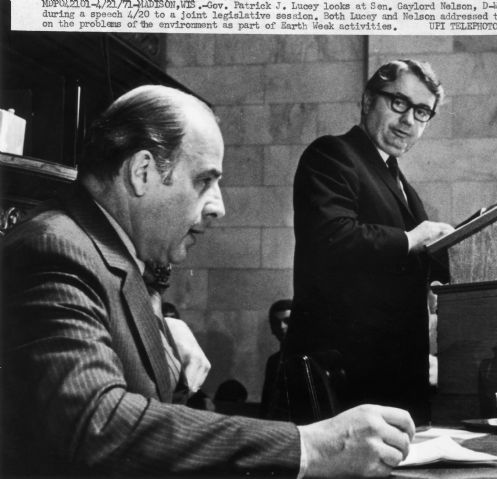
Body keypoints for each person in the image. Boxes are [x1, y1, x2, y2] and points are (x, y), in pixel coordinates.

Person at [1, 85, 416, 477]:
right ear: (142, 172)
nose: (219, 207)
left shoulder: (110, 250)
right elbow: (97, 423)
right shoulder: (55, 248)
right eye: (204, 180)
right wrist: (310, 445)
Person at [284, 59, 456, 426]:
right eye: (399, 103)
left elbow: (424, 257)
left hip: (392, 377)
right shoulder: (332, 154)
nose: (409, 120)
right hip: (348, 379)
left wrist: (491, 218)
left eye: (422, 111)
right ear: (367, 100)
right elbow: (333, 238)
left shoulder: (397, 180)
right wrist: (411, 238)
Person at [260, 299, 293, 418]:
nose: (282, 327)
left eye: (287, 321)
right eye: (276, 322)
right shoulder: (273, 361)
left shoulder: (309, 359)